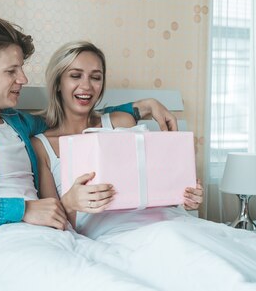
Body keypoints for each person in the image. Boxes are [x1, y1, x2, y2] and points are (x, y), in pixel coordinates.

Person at [0, 12, 176, 238]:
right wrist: (22, 209)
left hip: (50, 237)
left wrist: (141, 108)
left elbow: (77, 117)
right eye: (11, 71)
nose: (22, 78)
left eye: (21, 68)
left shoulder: (20, 123)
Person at [31, 41, 204, 239]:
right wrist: (69, 202)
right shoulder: (42, 146)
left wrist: (186, 196)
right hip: (114, 235)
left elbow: (152, 189)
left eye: (96, 77)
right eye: (75, 76)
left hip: (165, 221)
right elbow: (55, 222)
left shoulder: (121, 122)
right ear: (58, 83)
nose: (86, 86)